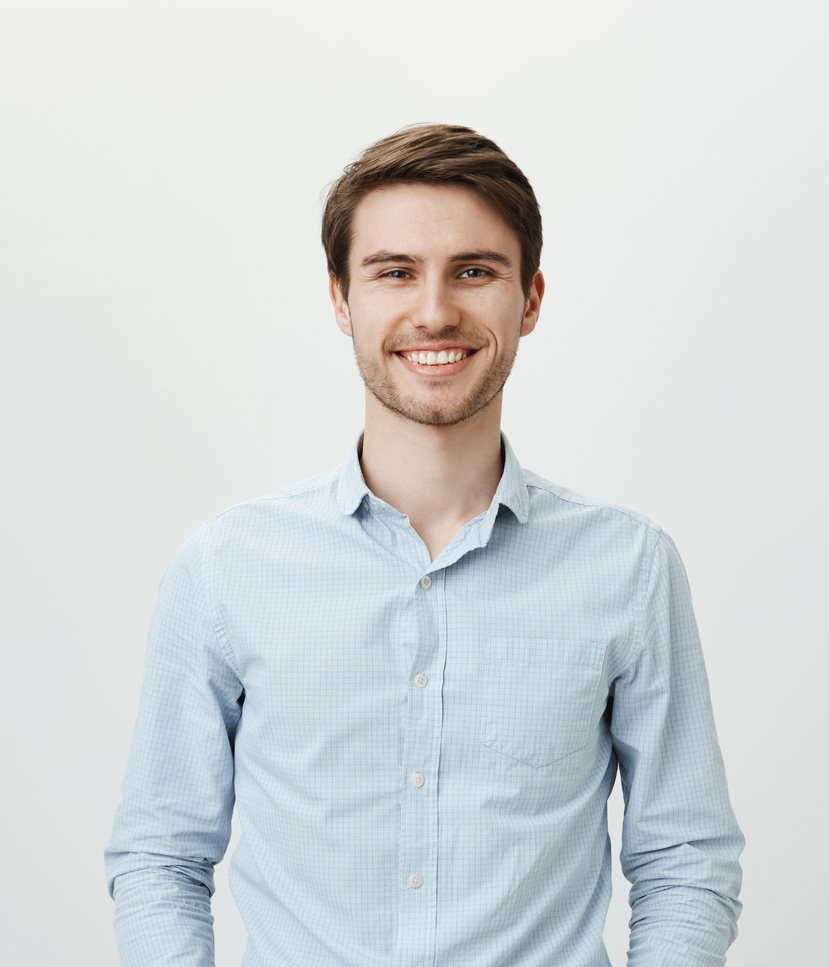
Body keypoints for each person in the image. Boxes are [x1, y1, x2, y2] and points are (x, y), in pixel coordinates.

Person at [105, 123, 743, 967]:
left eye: (474, 271)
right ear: (341, 298)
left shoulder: (628, 565)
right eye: (395, 272)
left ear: (533, 297)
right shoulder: (226, 568)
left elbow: (684, 859)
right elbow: (160, 854)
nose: (435, 310)